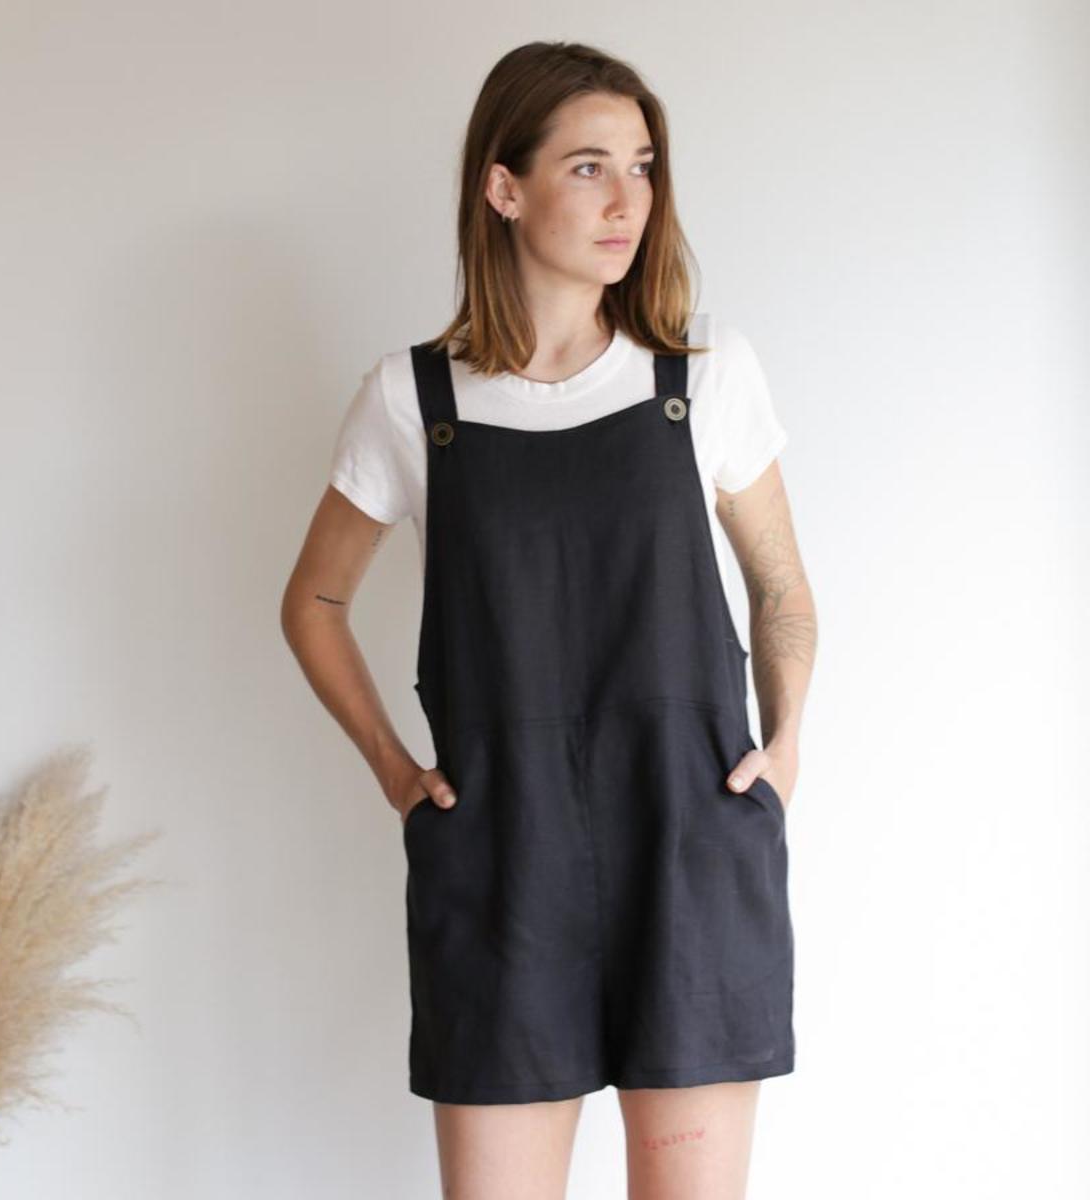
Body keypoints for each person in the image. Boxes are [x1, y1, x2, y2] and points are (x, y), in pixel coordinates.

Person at [282, 39, 817, 1200]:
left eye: (643, 166)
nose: (628, 199)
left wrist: (783, 749)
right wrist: (394, 774)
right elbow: (313, 602)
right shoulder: (412, 399)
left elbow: (780, 588)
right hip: (503, 864)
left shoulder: (703, 373)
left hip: (688, 848)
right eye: (588, 167)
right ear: (504, 186)